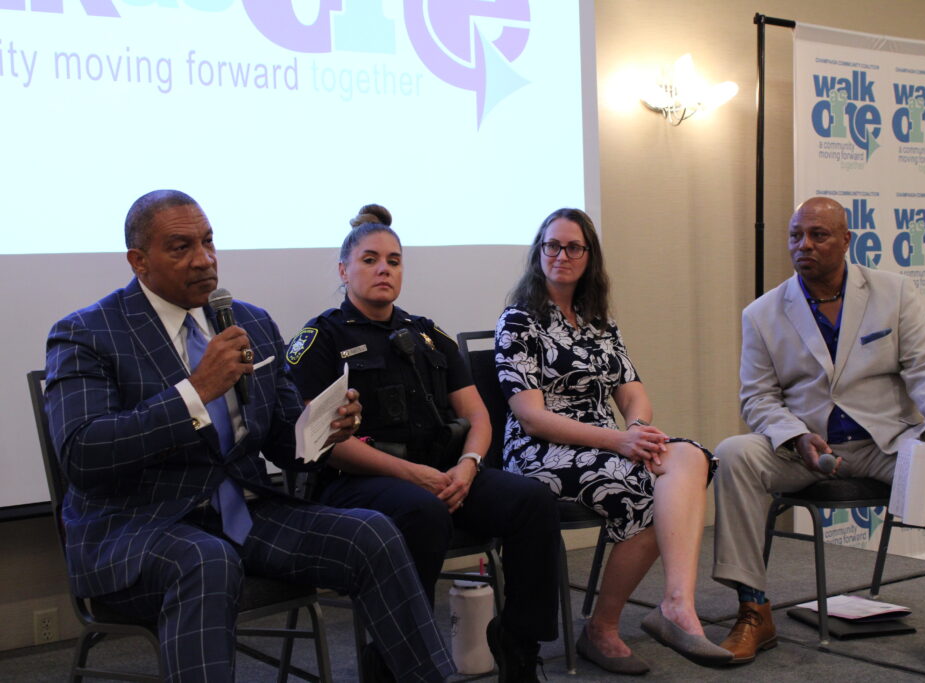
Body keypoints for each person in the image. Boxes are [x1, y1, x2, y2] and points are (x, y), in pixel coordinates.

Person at [44, 190, 454, 682]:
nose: (204, 260)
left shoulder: (250, 323)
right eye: (181, 247)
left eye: (209, 241)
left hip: (244, 514)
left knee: (372, 532)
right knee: (204, 560)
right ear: (139, 261)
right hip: (138, 529)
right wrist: (194, 392)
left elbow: (286, 441)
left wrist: (322, 431)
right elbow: (83, 454)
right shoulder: (87, 333)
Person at [713, 196, 925, 673]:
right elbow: (757, 399)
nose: (804, 245)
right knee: (734, 453)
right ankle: (754, 608)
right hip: (804, 449)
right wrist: (795, 437)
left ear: (846, 240)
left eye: (818, 235)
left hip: (885, 442)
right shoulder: (762, 314)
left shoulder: (894, 292)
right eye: (795, 236)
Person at [285, 204, 561, 683]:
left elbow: (477, 415)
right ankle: (394, 659)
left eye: (393, 260)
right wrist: (415, 475)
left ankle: (517, 643)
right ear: (343, 269)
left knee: (532, 500)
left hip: (444, 476)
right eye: (369, 259)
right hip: (356, 482)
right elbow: (325, 444)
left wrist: (469, 465)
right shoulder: (320, 340)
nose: (383, 269)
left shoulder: (428, 335)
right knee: (421, 511)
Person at [495, 208, 732, 675]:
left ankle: (676, 604)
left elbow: (633, 390)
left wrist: (639, 428)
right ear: (538, 253)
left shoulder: (597, 319)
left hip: (606, 443)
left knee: (688, 457)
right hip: (540, 450)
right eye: (552, 245)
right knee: (648, 492)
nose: (561, 255)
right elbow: (532, 417)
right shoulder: (518, 321)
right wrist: (620, 441)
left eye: (573, 247)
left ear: (589, 256)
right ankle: (603, 629)